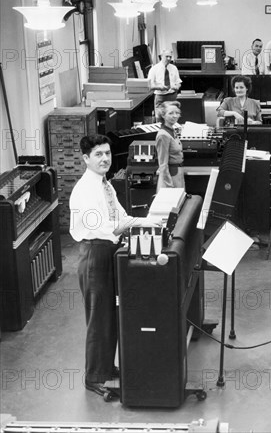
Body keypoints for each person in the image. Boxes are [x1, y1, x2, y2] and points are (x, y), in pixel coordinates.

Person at [69, 135, 162, 397]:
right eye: (98, 154)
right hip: (95, 253)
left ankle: (108, 368)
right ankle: (94, 377)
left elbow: (120, 215)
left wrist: (145, 221)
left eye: (107, 153)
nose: (105, 159)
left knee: (110, 315)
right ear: (85, 158)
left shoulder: (105, 185)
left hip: (109, 250)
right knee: (99, 318)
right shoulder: (85, 189)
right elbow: (104, 228)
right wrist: (132, 225)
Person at [155, 101, 185, 191]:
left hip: (178, 173)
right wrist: (169, 186)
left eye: (177, 113)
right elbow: (163, 164)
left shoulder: (172, 130)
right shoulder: (163, 135)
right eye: (171, 113)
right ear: (163, 115)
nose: (175, 116)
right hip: (171, 177)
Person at [147, 49, 182, 118]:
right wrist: (159, 87)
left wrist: (177, 87)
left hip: (172, 97)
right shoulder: (154, 69)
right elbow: (149, 85)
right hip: (161, 97)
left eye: (170, 57)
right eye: (167, 56)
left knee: (172, 118)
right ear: (161, 56)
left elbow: (178, 82)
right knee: (160, 118)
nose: (169, 58)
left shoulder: (174, 68)